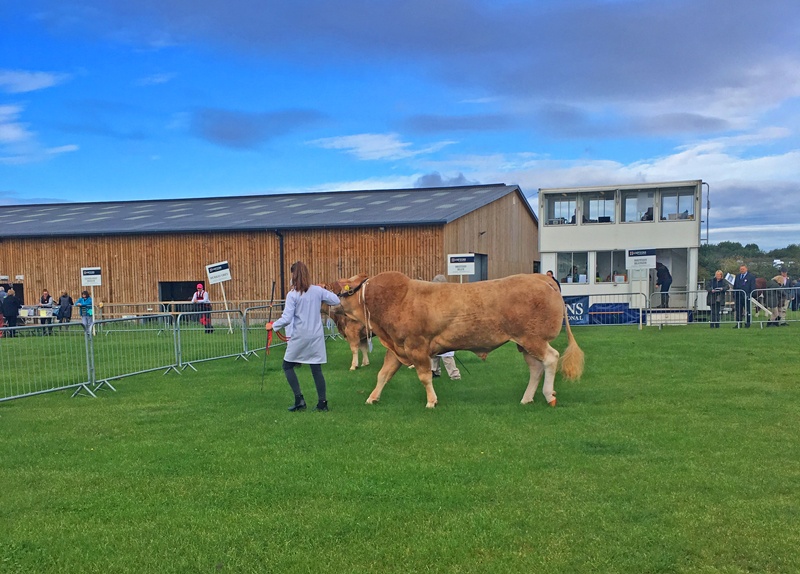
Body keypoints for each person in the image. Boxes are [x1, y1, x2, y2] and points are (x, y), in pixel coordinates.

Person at [266, 261, 341, 412]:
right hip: (316, 336)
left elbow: (287, 318)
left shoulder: (292, 295)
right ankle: (322, 403)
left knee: (287, 366)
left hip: (300, 335)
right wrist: (323, 290)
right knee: (316, 369)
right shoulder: (317, 291)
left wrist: (273, 325)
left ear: (294, 275)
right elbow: (336, 300)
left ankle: (299, 399)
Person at [430, 274, 461, 380]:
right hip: (434, 327)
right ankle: (434, 371)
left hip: (446, 327)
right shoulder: (432, 297)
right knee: (434, 351)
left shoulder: (449, 297)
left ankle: (454, 375)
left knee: (447, 354)